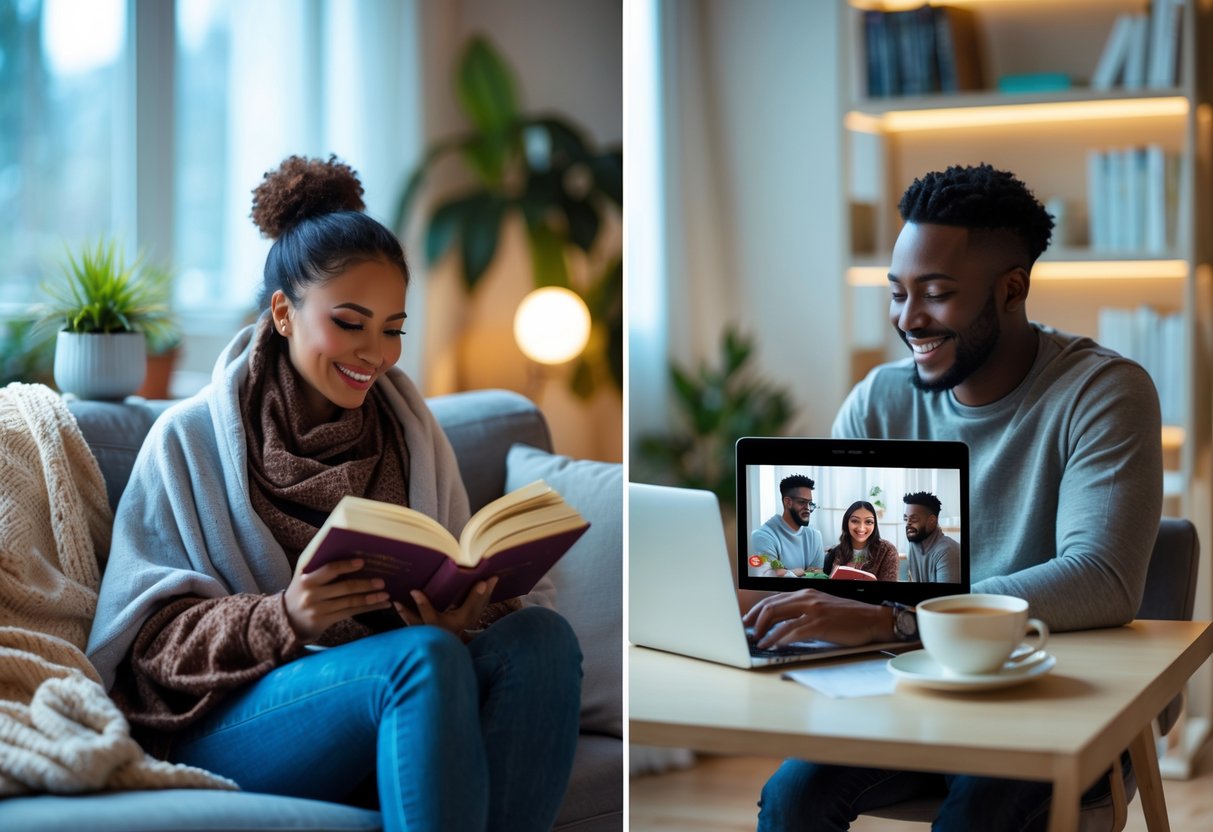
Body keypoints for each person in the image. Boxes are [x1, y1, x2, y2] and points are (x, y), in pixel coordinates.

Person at [85, 156, 582, 832]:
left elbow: (459, 585)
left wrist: (463, 615)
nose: (375, 353)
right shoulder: (189, 439)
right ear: (285, 313)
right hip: (231, 715)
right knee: (423, 661)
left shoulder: (412, 434)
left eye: (393, 328)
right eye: (350, 322)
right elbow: (146, 647)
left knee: (540, 638)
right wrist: (284, 616)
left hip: (399, 690)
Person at [747, 163, 1161, 831]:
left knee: (977, 813)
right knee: (791, 799)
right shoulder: (877, 401)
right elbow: (846, 591)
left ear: (1012, 288)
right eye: (896, 293)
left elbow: (1102, 578)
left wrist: (898, 620)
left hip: (1044, 694)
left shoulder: (1101, 392)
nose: (908, 319)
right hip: (905, 689)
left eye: (935, 293)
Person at [749, 474, 826, 577]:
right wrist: (801, 572)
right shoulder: (762, 537)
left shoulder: (815, 536)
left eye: (810, 503)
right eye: (802, 502)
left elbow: (818, 576)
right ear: (788, 502)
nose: (808, 508)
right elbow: (768, 580)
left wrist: (788, 572)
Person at [821, 500, 898, 581]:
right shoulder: (833, 554)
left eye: (868, 522)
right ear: (846, 523)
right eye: (855, 521)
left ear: (874, 525)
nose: (861, 528)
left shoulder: (887, 551)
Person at [902, 491, 960, 583]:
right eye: (906, 518)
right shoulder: (913, 544)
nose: (908, 523)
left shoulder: (947, 551)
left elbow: (946, 596)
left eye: (914, 518)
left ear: (932, 520)